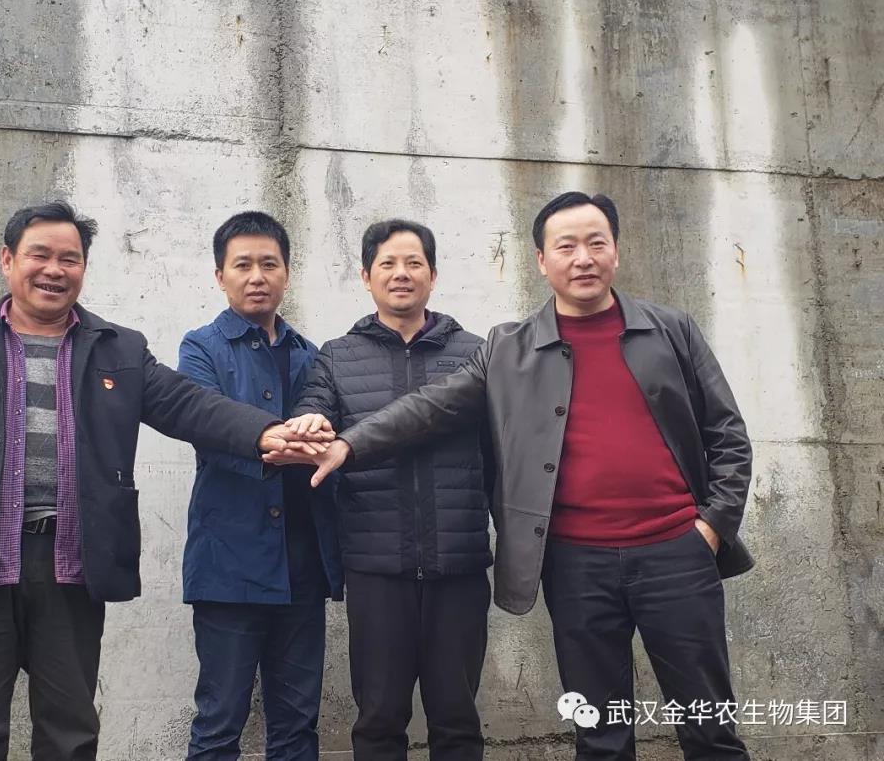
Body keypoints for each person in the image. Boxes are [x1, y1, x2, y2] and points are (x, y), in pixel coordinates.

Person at [277, 193, 754, 761]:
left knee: (710, 727)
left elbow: (728, 433)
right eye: (566, 246)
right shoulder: (509, 347)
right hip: (576, 563)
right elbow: (430, 406)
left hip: (676, 552)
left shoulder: (671, 330)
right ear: (541, 261)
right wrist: (349, 445)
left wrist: (712, 527)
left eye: (596, 243)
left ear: (616, 252)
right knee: (600, 734)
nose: (583, 258)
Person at [0, 201, 328, 761]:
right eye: (40, 255)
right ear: (8, 260)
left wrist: (264, 433)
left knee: (70, 732)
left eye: (70, 258)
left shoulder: (118, 349)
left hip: (71, 562)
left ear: (83, 268)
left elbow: (188, 406)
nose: (54, 270)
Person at [289, 219, 494, 760]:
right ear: (366, 275)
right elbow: (314, 407)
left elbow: (500, 454)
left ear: (433, 275)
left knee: (458, 719)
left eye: (414, 263)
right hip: (376, 569)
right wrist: (310, 421)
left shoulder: (477, 353)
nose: (401, 274)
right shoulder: (337, 355)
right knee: (378, 720)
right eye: (388, 264)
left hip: (459, 565)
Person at [177, 211, 342, 760]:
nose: (256, 277)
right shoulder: (201, 347)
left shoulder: (311, 354)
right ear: (219, 275)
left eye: (269, 264)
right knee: (219, 722)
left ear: (286, 273)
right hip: (228, 565)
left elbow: (329, 432)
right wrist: (280, 443)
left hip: (301, 567)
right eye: (242, 265)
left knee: (297, 724)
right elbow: (205, 425)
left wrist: (314, 444)